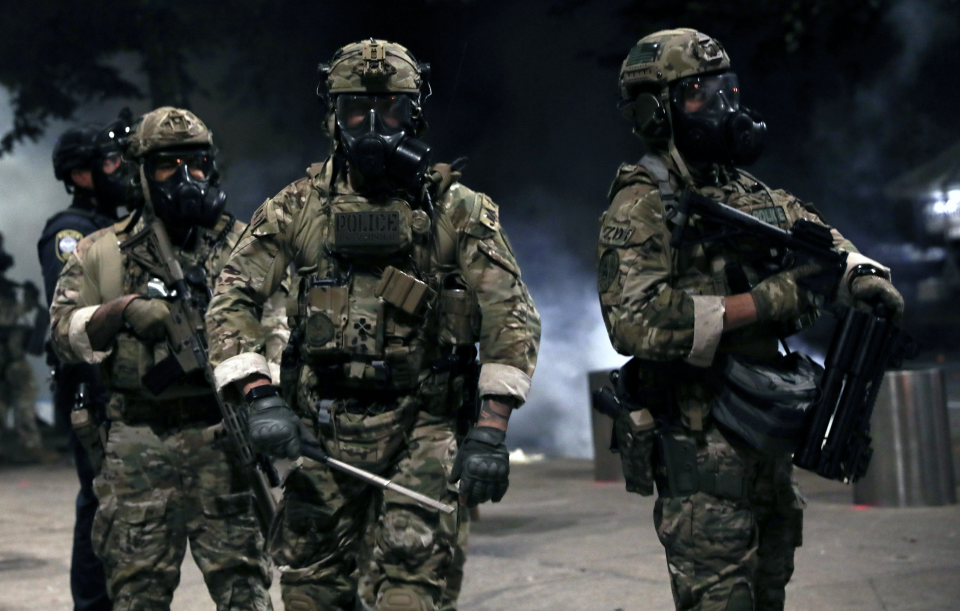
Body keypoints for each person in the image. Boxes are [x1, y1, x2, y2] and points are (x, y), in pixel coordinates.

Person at [204, 39, 541, 611]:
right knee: (311, 592)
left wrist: (489, 429)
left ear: (415, 113)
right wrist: (260, 396)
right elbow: (231, 297)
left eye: (391, 110)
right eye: (356, 110)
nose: (373, 126)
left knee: (410, 592)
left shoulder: (456, 210)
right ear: (333, 116)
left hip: (423, 428)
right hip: (321, 431)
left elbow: (511, 315)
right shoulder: (298, 207)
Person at [598, 28, 904, 611]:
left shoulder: (749, 192)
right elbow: (633, 324)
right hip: (699, 441)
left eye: (724, 90)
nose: (721, 108)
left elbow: (821, 242)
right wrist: (766, 302)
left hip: (764, 433)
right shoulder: (641, 203)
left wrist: (864, 276)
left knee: (770, 588)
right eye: (697, 96)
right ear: (655, 112)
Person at [49, 107, 274, 611]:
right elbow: (62, 334)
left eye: (195, 164)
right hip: (138, 444)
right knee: (136, 593)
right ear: (142, 173)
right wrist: (120, 311)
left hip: (222, 436)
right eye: (168, 165)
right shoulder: (100, 252)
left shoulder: (243, 246)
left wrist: (265, 394)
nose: (185, 177)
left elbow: (280, 325)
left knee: (246, 590)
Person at [39, 117, 128, 611]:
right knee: (98, 501)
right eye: (109, 162)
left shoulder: (114, 226)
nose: (119, 169)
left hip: (115, 385)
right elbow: (70, 312)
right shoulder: (70, 232)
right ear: (80, 174)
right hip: (89, 390)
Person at [0, 233, 46, 463]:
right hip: (10, 357)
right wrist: (28, 302)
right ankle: (29, 446)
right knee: (24, 396)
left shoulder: (5, 288)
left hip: (7, 357)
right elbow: (7, 320)